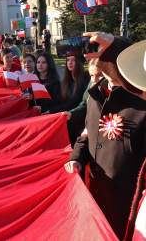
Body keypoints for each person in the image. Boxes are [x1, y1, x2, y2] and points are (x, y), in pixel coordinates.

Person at [64, 32, 146, 239]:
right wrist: (76, 158)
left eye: (108, 54)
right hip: (96, 194)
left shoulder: (142, 100)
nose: (98, 58)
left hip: (128, 205)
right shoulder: (95, 94)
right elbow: (86, 134)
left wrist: (118, 47)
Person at [62, 59, 102, 146]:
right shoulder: (91, 83)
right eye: (92, 75)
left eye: (99, 75)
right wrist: (71, 114)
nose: (95, 80)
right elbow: (84, 104)